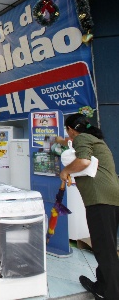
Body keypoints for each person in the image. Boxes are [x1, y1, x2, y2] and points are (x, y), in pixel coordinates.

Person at [56, 113, 119, 300]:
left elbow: (83, 160)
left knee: (104, 249)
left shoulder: (82, 138)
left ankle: (112, 294)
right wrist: (57, 139)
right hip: (111, 198)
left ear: (71, 129)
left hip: (100, 200)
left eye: (67, 131)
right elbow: (68, 142)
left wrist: (66, 171)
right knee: (105, 246)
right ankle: (102, 285)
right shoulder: (95, 139)